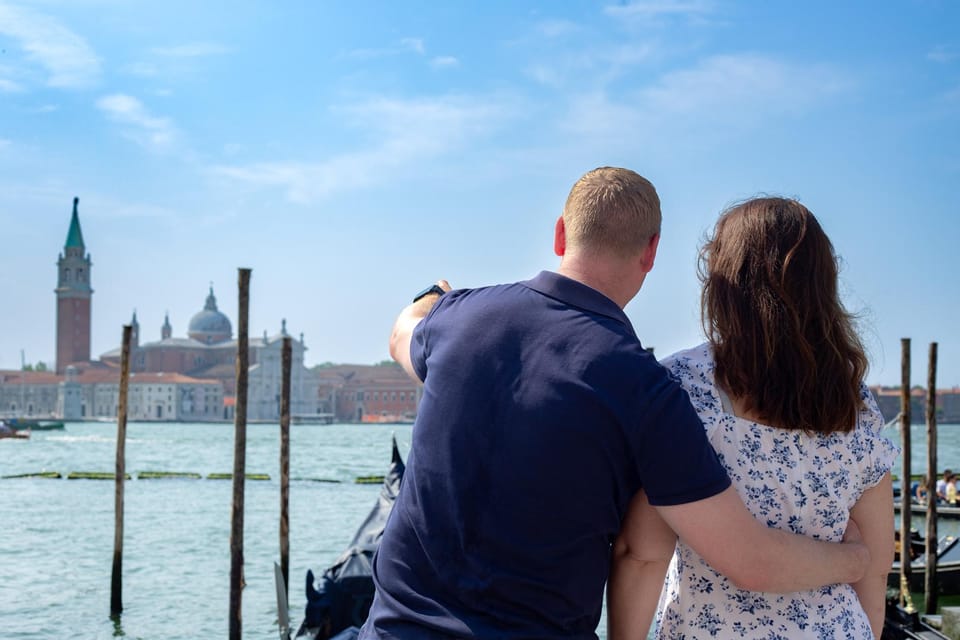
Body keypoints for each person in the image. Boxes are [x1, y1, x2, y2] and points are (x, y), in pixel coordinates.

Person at [360, 169, 870, 640]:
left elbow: (402, 334)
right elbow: (743, 556)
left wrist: (434, 298)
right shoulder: (647, 390)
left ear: (561, 234)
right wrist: (855, 560)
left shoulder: (460, 318)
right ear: (650, 253)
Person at [609, 197, 898, 639]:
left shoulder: (685, 387)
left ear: (723, 282)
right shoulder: (856, 404)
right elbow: (875, 569)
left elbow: (643, 553)